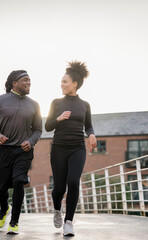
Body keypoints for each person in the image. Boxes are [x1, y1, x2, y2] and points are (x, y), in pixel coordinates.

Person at [0, 70, 42, 234]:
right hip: (4, 150)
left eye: (30, 80)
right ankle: (4, 209)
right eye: (25, 80)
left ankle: (14, 222)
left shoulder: (34, 104)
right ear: (14, 83)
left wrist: (30, 142)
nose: (29, 83)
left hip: (23, 151)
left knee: (19, 182)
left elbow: (38, 130)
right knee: (1, 187)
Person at [45, 61, 97, 236]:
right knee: (59, 188)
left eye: (65, 81)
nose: (62, 84)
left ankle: (69, 222)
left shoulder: (85, 105)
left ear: (75, 83)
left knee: (73, 181)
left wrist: (91, 134)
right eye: (61, 81)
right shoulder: (56, 102)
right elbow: (47, 126)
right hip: (59, 148)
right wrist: (58, 119)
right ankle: (57, 209)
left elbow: (88, 126)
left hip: (77, 148)